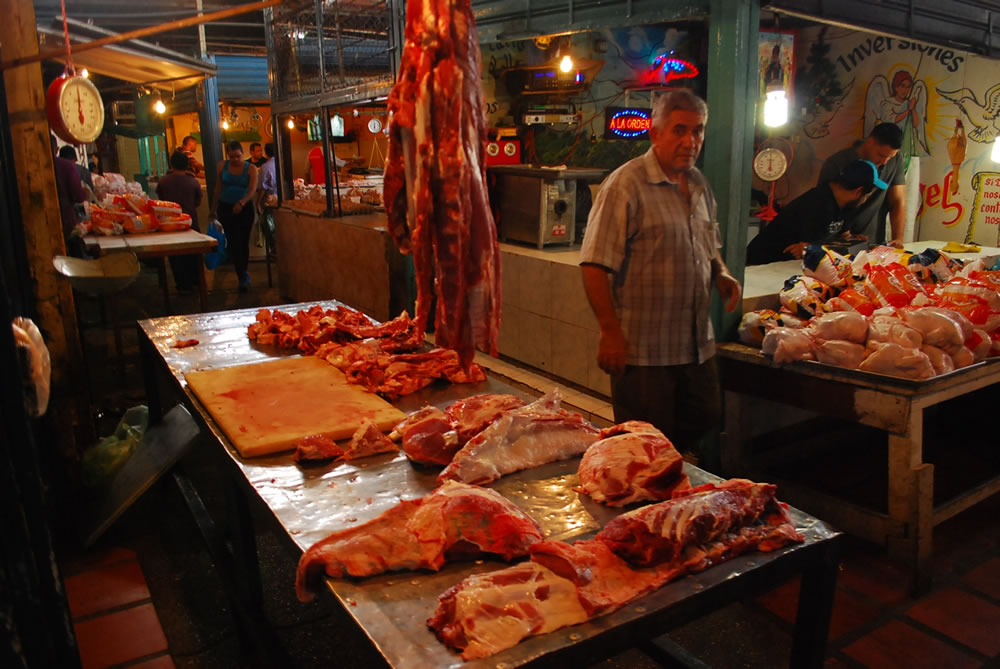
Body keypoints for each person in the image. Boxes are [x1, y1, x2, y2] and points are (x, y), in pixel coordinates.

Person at [579, 89, 742, 458]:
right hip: (643, 352)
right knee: (643, 444)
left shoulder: (699, 183)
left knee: (706, 413)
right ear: (655, 134)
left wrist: (722, 273)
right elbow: (593, 264)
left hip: (695, 343)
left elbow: (707, 244)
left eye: (698, 131)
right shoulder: (626, 184)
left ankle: (672, 481)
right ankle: (645, 505)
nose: (691, 141)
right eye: (679, 130)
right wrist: (609, 332)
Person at [746, 160, 888, 265]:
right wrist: (810, 248)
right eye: (866, 196)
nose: (865, 200)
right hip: (762, 266)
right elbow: (806, 251)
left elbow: (826, 242)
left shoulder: (843, 206)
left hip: (787, 266)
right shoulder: (818, 204)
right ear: (858, 191)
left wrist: (852, 240)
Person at [818, 122, 905, 247]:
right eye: (881, 155)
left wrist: (898, 239)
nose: (884, 161)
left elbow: (897, 201)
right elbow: (822, 207)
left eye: (890, 157)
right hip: (837, 244)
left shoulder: (895, 160)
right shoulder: (837, 163)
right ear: (870, 142)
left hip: (873, 242)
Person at [211, 140, 258, 292]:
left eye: (237, 156)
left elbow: (252, 189)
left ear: (242, 154)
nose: (235, 160)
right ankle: (241, 272)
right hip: (226, 208)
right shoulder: (221, 166)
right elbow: (217, 189)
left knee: (243, 241)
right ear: (227, 156)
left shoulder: (250, 168)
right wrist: (212, 209)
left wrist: (242, 203)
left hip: (244, 209)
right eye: (231, 157)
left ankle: (243, 274)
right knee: (232, 241)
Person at [157, 150, 204, 293]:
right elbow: (198, 201)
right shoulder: (193, 182)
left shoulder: (163, 181)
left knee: (176, 255)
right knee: (194, 254)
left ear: (171, 164)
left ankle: (182, 284)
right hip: (190, 222)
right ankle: (196, 281)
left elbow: (160, 199)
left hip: (170, 224)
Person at [51, 136, 87, 241]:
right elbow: (78, 196)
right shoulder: (67, 166)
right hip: (66, 223)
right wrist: (85, 193)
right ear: (56, 150)